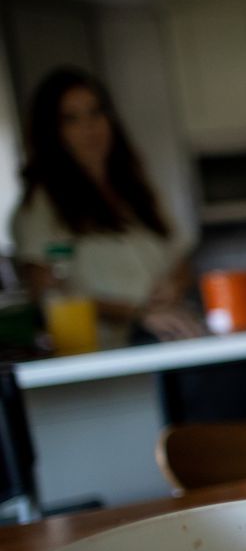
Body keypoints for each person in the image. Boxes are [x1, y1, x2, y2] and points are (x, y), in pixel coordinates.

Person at [11, 65, 204, 348]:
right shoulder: (42, 206)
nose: (89, 127)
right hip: (104, 353)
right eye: (71, 119)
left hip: (172, 337)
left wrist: (174, 284)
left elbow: (181, 257)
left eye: (96, 112)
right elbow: (49, 293)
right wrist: (137, 313)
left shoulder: (137, 190)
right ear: (52, 131)